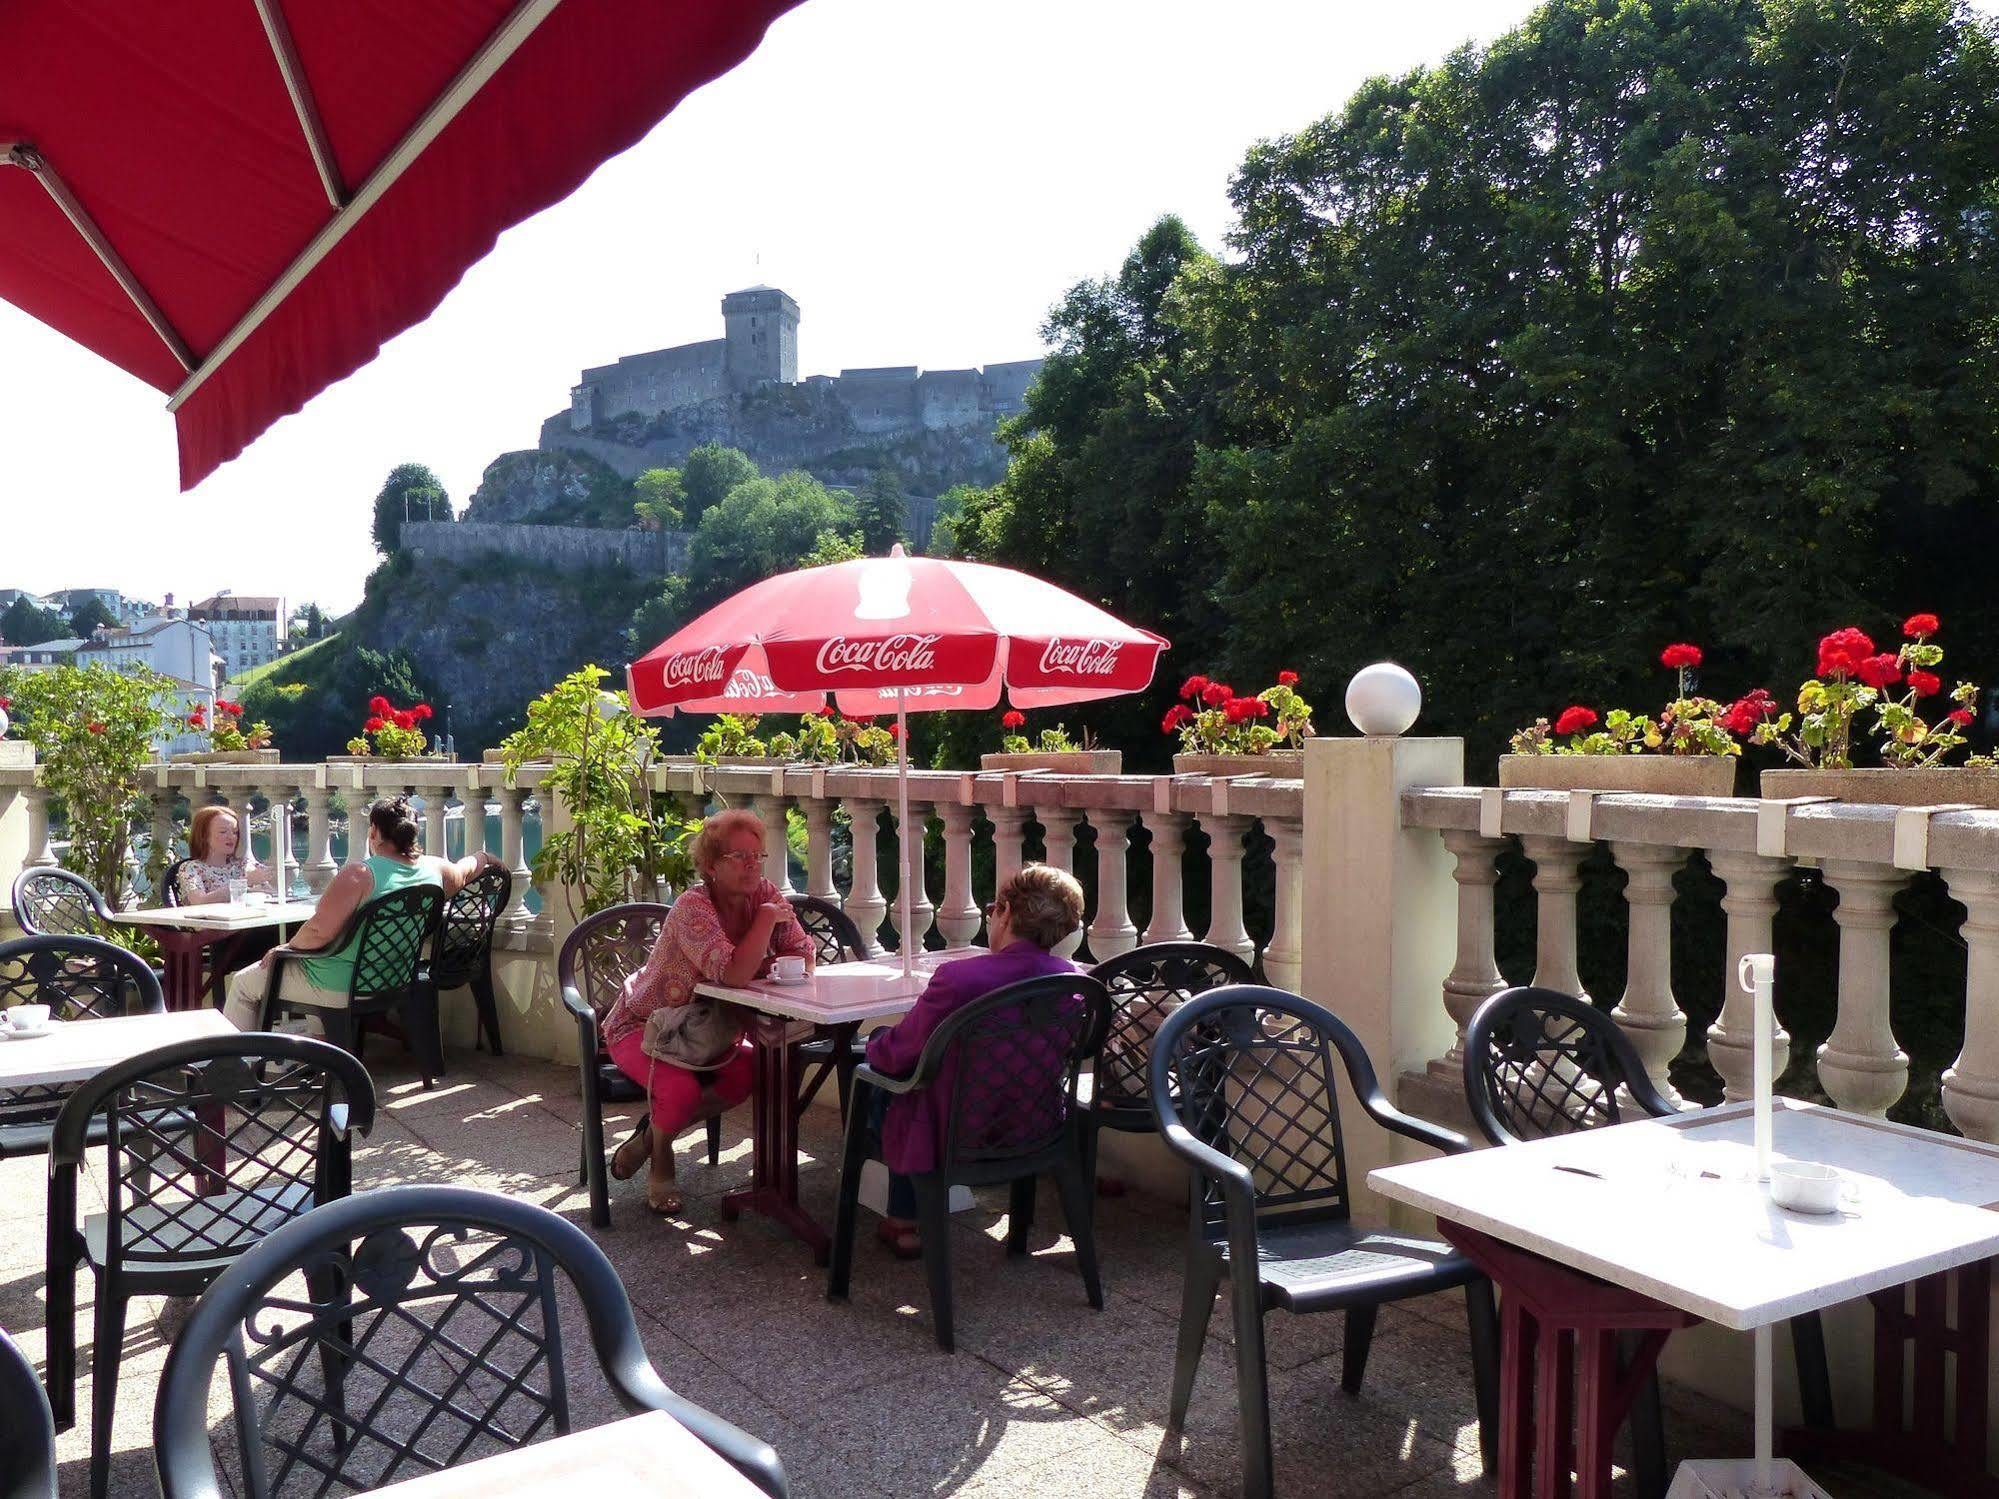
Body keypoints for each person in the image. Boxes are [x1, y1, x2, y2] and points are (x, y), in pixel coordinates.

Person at [861, 863, 1084, 1258]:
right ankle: (904, 1216)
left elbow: (899, 1053)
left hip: (953, 1135)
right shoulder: (1074, 982)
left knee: (879, 1079)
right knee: (914, 1083)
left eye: (994, 908)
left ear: (1008, 913)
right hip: (1036, 1129)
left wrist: (874, 1044)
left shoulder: (960, 979)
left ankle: (900, 1217)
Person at [601, 807, 813, 1216]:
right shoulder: (693, 907)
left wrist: (770, 944)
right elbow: (733, 974)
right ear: (712, 865)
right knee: (680, 1091)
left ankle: (649, 1137)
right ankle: (662, 1164)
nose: (752, 865)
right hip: (648, 1026)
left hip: (710, 1029)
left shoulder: (763, 894)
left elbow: (804, 953)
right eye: (739, 857)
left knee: (756, 1070)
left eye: (757, 855)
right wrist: (767, 923)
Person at [222, 795, 500, 1031]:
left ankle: (233, 1070)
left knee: (245, 984)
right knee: (306, 964)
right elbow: (466, 870)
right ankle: (319, 1050)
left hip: (342, 984)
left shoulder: (360, 874)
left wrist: (283, 948)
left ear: (374, 833)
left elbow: (319, 932)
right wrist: (484, 857)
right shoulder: (434, 869)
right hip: (397, 979)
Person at [174, 806, 274, 904]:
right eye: (223, 832)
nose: (231, 837)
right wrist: (245, 882)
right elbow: (200, 901)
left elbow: (270, 894)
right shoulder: (191, 868)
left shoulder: (243, 865)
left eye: (235, 832)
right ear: (204, 836)